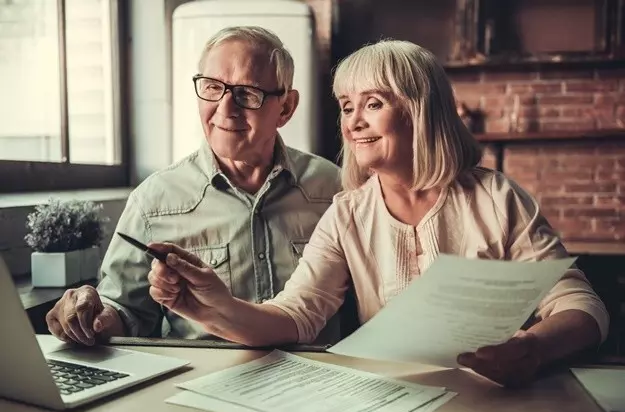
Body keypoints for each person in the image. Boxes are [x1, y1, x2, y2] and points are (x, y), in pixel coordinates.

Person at [146, 40, 609, 387]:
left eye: (373, 103)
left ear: (421, 111)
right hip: (392, 401)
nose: (353, 122)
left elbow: (581, 307)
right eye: (347, 107)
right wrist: (212, 307)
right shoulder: (347, 213)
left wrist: (533, 348)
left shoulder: (496, 197)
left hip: (496, 398)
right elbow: (295, 317)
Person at [45, 26, 341, 345]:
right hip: (203, 381)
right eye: (213, 88)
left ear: (285, 107)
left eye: (247, 93)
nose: (225, 109)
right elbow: (128, 313)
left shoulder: (335, 189)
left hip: (317, 381)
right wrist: (92, 317)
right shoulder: (153, 200)